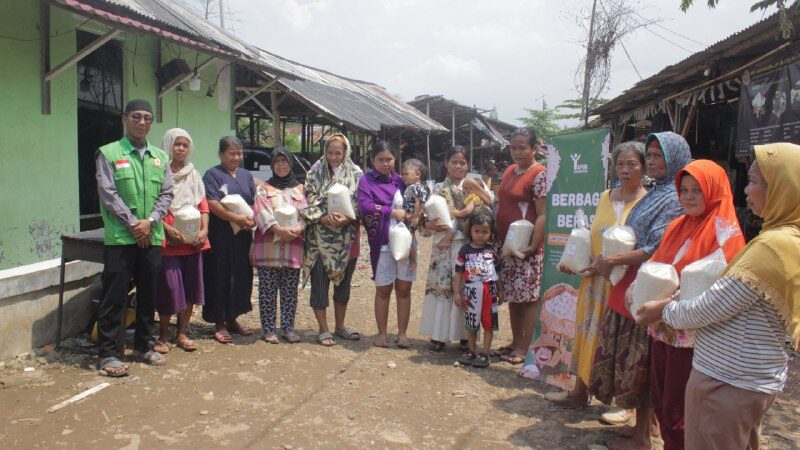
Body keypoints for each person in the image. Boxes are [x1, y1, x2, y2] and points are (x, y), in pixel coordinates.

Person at [637, 143, 800, 450]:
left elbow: (714, 304)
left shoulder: (762, 242)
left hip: (728, 374)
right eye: (683, 189)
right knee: (667, 403)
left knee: (684, 420)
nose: (747, 191)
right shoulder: (782, 237)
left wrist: (662, 308)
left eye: (754, 181)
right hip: (736, 368)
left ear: (782, 186)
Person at [632, 159, 745, 449]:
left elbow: (718, 290)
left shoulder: (726, 234)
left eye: (698, 190)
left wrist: (665, 304)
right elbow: (657, 265)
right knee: (662, 400)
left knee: (681, 409)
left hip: (696, 338)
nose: (689, 196)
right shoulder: (677, 225)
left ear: (715, 190)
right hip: (663, 327)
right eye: (684, 190)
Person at [589, 131, 692, 450]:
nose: (651, 161)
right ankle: (644, 427)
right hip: (630, 285)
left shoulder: (674, 197)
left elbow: (655, 245)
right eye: (650, 155)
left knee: (641, 366)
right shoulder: (659, 191)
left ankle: (644, 437)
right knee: (636, 363)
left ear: (674, 158)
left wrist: (614, 259)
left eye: (658, 156)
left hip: (645, 288)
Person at [547, 141, 647, 406]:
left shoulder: (647, 202)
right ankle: (579, 392)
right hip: (594, 281)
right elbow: (594, 236)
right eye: (620, 164)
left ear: (644, 168)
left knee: (615, 340)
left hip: (622, 284)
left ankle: (624, 405)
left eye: (632, 164)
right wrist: (579, 260)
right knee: (585, 332)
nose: (625, 170)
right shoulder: (605, 196)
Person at [95, 99, 173, 376]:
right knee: (114, 296)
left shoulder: (160, 157)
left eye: (148, 118)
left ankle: (143, 346)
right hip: (121, 238)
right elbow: (108, 195)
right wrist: (133, 225)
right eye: (137, 117)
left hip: (150, 236)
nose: (142, 122)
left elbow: (166, 195)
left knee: (148, 294)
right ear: (125, 119)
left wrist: (149, 222)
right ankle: (109, 354)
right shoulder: (109, 153)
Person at [419, 146, 493, 352]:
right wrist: (430, 225)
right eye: (454, 161)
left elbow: (489, 210)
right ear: (446, 163)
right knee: (442, 288)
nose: (458, 166)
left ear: (467, 165)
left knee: (466, 289)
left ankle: (464, 335)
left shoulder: (476, 186)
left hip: (470, 246)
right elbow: (423, 220)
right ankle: (439, 335)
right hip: (443, 245)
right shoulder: (437, 189)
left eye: (462, 162)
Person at [302, 134, 363, 346]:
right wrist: (322, 217)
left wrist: (348, 216)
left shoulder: (356, 173)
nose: (334, 157)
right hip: (320, 237)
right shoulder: (314, 173)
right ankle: (323, 328)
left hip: (347, 238)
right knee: (320, 283)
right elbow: (307, 198)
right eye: (330, 152)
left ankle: (340, 325)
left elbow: (361, 201)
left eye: (338, 152)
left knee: (344, 285)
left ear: (346, 151)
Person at [494, 127, 547, 365]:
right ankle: (515, 342)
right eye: (513, 147)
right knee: (514, 296)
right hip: (507, 245)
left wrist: (533, 245)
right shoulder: (508, 171)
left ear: (534, 148)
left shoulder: (540, 175)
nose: (517, 152)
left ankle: (525, 348)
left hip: (526, 247)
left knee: (529, 299)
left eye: (522, 147)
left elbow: (544, 214)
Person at [156, 128, 210, 353]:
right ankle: (163, 335)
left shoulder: (193, 174)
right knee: (169, 287)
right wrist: (166, 228)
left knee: (190, 287)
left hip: (192, 239)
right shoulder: (159, 172)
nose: (181, 149)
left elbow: (203, 205)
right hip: (169, 240)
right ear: (168, 145)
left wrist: (204, 230)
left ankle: (182, 333)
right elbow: (151, 207)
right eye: (177, 144)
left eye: (185, 145)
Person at [357, 141, 414, 348]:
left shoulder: (401, 181)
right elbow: (365, 206)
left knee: (404, 288)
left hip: (405, 241)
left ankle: (402, 333)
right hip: (381, 242)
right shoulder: (366, 181)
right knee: (383, 289)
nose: (385, 163)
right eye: (381, 159)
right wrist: (391, 212)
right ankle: (382, 333)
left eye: (389, 159)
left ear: (395, 160)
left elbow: (415, 202)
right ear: (373, 160)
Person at [202, 136, 256, 344]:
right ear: (221, 154)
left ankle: (233, 318)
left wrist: (250, 220)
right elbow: (212, 203)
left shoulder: (245, 175)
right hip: (220, 236)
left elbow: (253, 200)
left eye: (239, 153)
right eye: (232, 153)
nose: (236, 157)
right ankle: (219, 322)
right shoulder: (213, 175)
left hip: (242, 237)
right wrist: (236, 218)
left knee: (241, 276)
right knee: (220, 276)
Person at [251, 147, 307, 344]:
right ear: (272, 165)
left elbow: (306, 214)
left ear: (291, 163)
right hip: (269, 248)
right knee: (267, 290)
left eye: (284, 161)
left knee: (290, 291)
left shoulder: (300, 189)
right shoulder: (264, 188)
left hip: (293, 247)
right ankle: (268, 329)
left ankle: (288, 328)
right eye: (277, 162)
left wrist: (300, 228)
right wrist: (279, 230)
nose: (281, 165)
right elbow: (261, 212)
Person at [454, 211, 503, 368]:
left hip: (490, 290)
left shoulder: (492, 252)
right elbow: (458, 272)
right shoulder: (464, 251)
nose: (480, 235)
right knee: (471, 322)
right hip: (470, 291)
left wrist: (500, 291)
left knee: (489, 323)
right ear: (470, 231)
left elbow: (498, 273)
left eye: (485, 232)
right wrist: (456, 292)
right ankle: (471, 351)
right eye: (476, 231)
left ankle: (485, 354)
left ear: (490, 232)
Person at [400, 158, 429, 272]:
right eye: (402, 174)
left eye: (406, 174)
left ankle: (413, 261)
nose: (404, 177)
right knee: (408, 238)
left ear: (417, 174)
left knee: (409, 239)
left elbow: (419, 202)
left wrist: (415, 217)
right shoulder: (411, 187)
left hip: (412, 218)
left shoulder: (416, 187)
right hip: (408, 217)